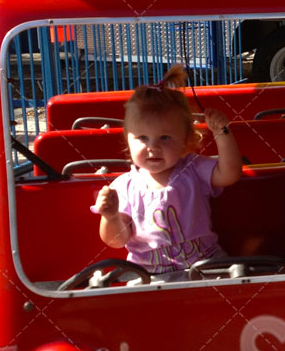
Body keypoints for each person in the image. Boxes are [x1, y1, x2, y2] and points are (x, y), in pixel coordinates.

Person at [92, 65, 242, 274]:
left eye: (165, 138)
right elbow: (116, 241)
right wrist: (110, 217)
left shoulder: (193, 168)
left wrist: (222, 133)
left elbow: (230, 174)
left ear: (185, 140)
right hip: (149, 275)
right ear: (128, 138)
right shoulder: (124, 186)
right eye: (142, 138)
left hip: (206, 267)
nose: (153, 147)